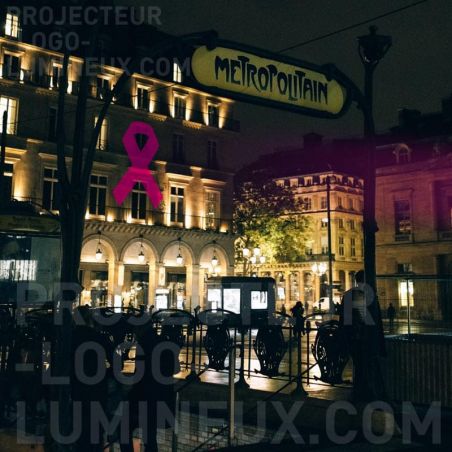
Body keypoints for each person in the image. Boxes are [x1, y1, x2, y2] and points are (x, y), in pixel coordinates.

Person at [71, 305, 114, 452]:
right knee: (95, 431)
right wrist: (105, 374)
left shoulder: (70, 338)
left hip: (77, 389)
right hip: (97, 389)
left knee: (80, 430)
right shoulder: (99, 337)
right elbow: (115, 362)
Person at [340, 270, 384, 401]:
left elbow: (345, 320)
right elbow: (377, 320)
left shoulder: (349, 295)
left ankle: (360, 390)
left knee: (360, 365)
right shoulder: (370, 295)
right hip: (364, 338)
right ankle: (366, 391)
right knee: (365, 365)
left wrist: (345, 339)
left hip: (355, 337)